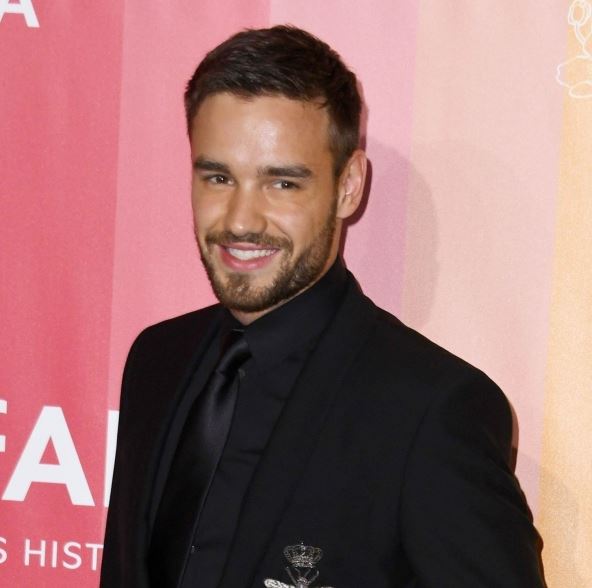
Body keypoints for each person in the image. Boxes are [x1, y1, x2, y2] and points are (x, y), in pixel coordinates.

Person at [100, 25, 546, 588]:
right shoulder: (156, 361)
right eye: (218, 177)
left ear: (349, 185)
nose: (240, 220)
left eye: (282, 184)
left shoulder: (430, 411)